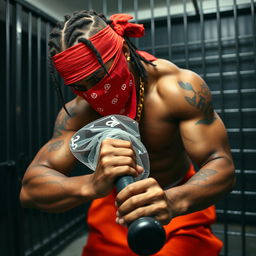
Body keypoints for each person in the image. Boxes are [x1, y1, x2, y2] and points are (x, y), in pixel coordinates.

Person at [20, 10, 236, 256]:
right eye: (80, 86)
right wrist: (90, 185)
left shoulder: (176, 89)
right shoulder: (78, 112)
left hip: (179, 197)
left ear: (123, 52)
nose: (94, 94)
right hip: (116, 205)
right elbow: (31, 189)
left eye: (100, 77)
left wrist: (173, 200)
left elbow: (222, 165)